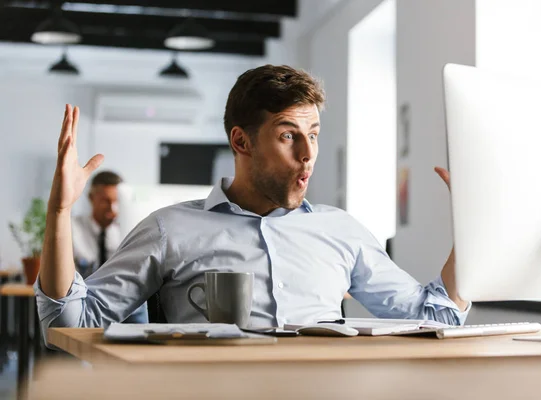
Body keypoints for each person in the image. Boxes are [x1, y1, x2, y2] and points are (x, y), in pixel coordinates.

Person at [35, 65, 469, 339]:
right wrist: (58, 214)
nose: (308, 154)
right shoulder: (170, 229)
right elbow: (71, 322)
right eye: (288, 135)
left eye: (314, 134)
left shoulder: (341, 231)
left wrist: (470, 228)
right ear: (241, 141)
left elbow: (436, 317)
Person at [71, 170, 148, 324]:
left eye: (117, 201)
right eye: (105, 201)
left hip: (123, 301)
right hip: (85, 301)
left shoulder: (131, 229)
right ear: (91, 198)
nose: (112, 208)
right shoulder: (72, 228)